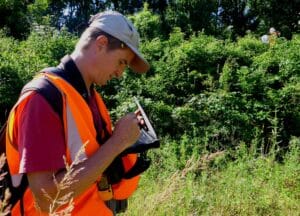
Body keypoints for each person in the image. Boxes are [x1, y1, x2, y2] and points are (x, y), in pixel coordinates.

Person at [5, 11, 150, 215]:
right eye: (121, 62)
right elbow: (47, 199)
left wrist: (129, 140)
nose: (120, 74)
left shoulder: (89, 97)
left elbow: (93, 164)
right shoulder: (42, 98)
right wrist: (118, 142)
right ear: (100, 43)